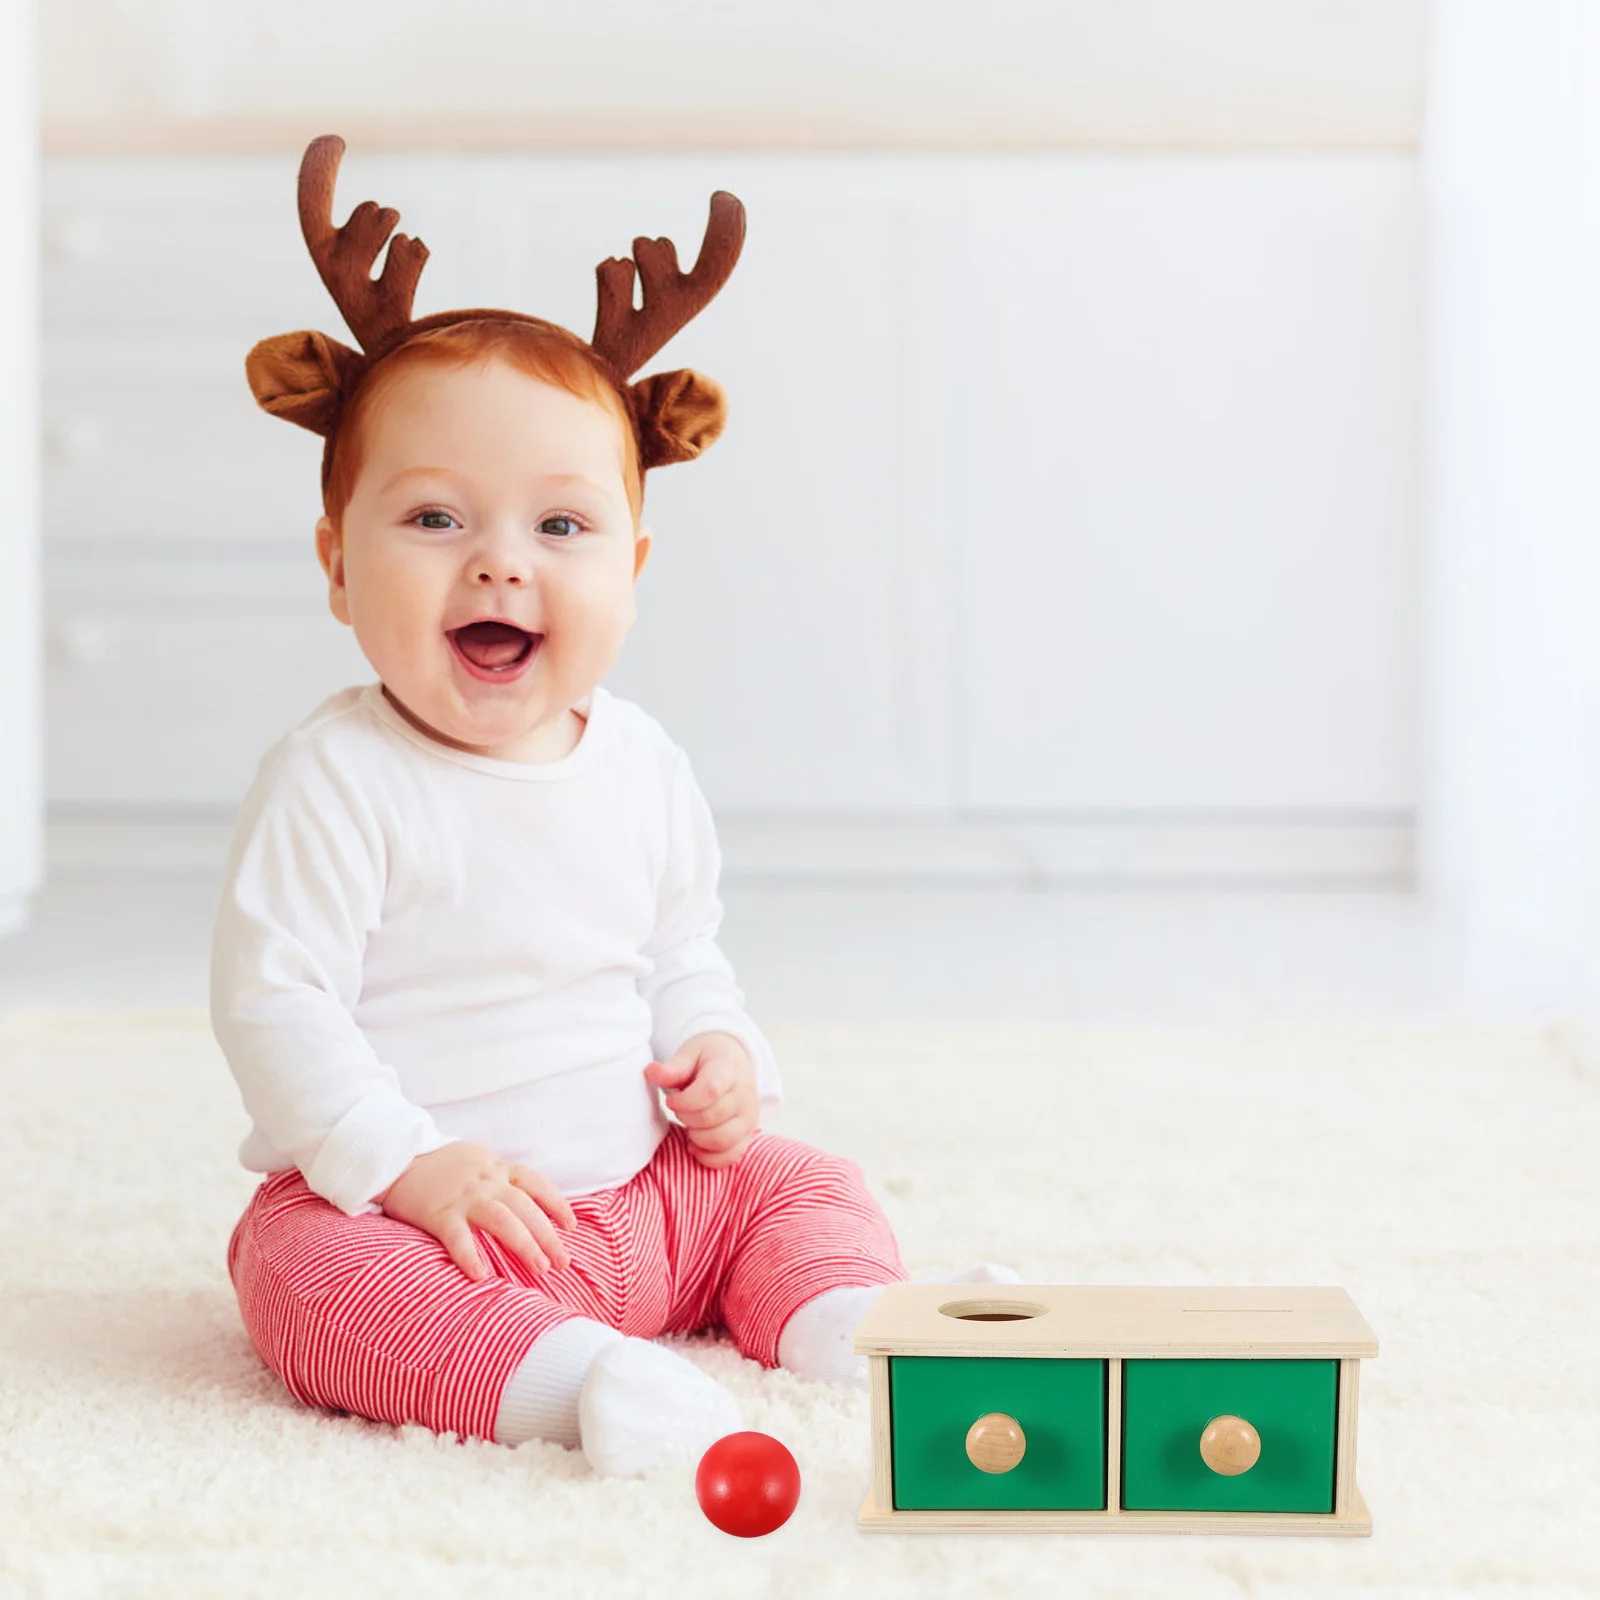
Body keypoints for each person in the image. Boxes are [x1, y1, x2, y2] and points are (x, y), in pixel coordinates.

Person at [213, 136, 1007, 1478]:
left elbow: (679, 951)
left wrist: (717, 1051)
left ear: (632, 569)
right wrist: (412, 1167)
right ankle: (577, 1379)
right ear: (339, 564)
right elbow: (277, 1008)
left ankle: (846, 1321)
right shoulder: (335, 780)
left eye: (560, 529)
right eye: (435, 522)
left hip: (651, 1200)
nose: (500, 565)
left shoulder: (639, 764)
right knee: (299, 1271)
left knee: (796, 1181)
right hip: (436, 1227)